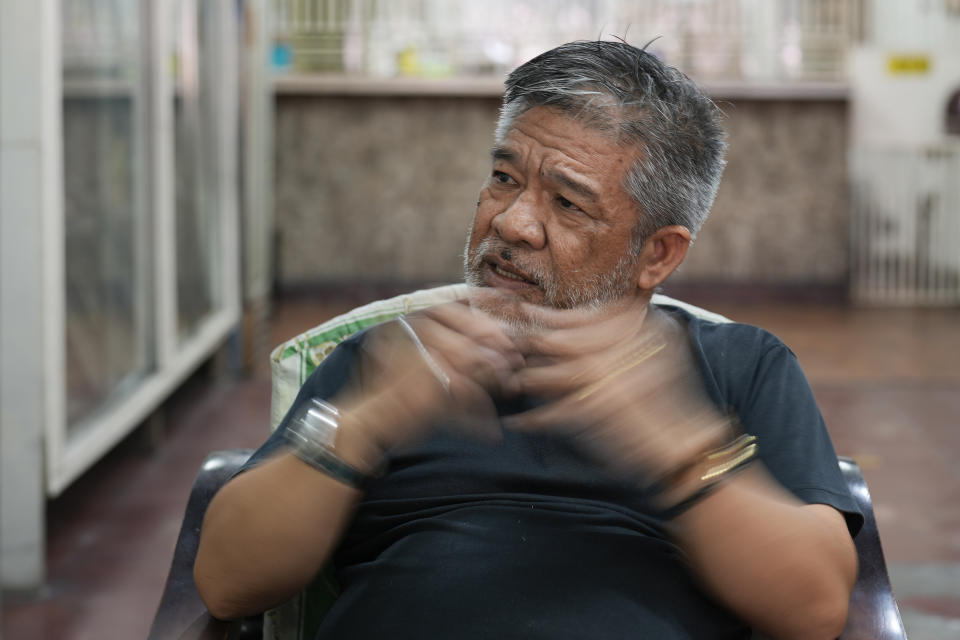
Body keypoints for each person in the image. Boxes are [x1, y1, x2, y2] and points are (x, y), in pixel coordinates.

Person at [194, 40, 861, 639]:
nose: (511, 223)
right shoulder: (390, 358)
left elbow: (815, 608)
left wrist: (669, 443)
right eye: (505, 178)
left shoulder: (739, 367)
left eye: (568, 204)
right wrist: (368, 422)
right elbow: (226, 582)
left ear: (657, 254)